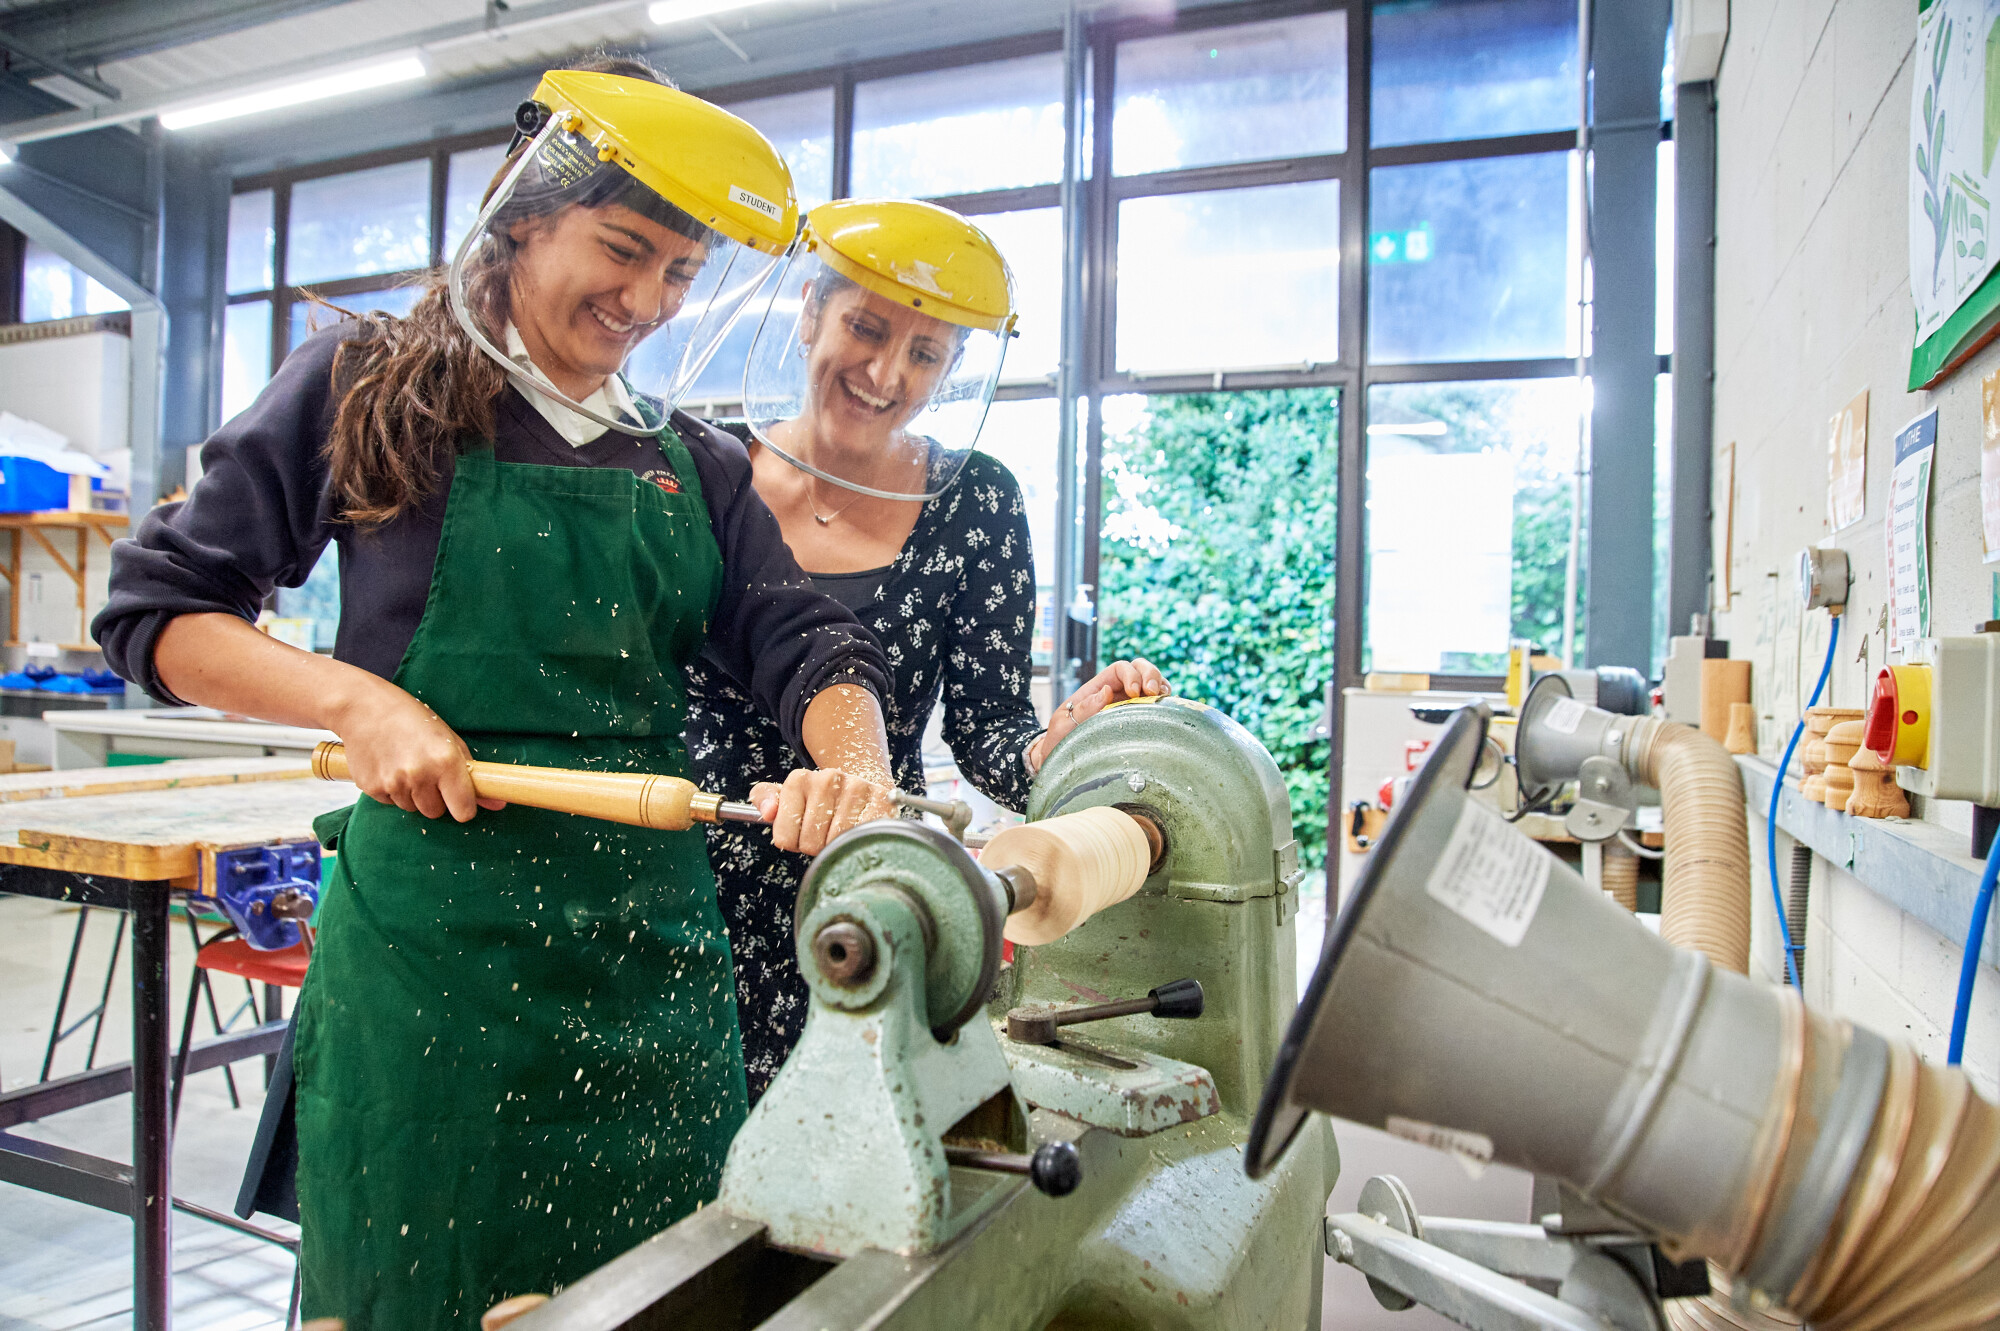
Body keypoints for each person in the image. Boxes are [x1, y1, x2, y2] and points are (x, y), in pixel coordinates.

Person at [94, 63, 900, 1324]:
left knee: (661, 1295)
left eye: (680, 275)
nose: (645, 301)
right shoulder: (371, 385)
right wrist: (361, 706)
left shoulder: (696, 463)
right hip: (433, 970)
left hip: (648, 966)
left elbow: (807, 643)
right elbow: (158, 610)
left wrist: (852, 763)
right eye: (622, 250)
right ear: (523, 214)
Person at [685, 198, 1169, 1100]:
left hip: (865, 910)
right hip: (677, 909)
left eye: (924, 354)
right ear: (807, 313)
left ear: (952, 372)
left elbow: (990, 740)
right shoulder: (707, 474)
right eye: (864, 328)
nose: (883, 372)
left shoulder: (975, 503)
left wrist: (1061, 744)